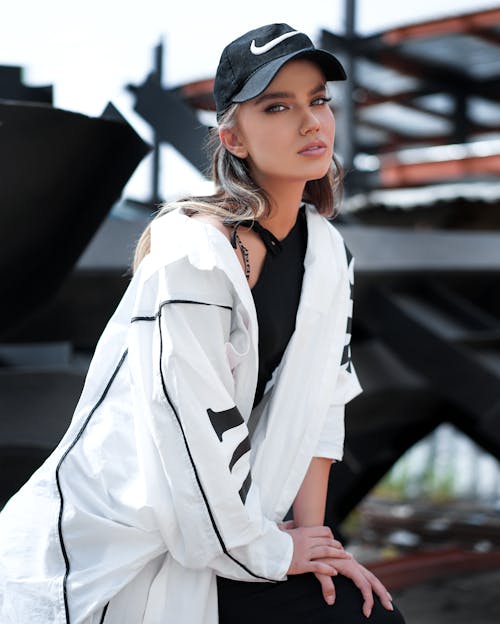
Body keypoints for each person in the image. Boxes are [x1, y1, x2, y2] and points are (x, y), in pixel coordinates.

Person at [0, 23, 405, 624]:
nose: (310, 121)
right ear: (233, 138)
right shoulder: (192, 256)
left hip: (230, 531)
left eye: (317, 99)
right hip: (124, 545)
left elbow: (325, 402)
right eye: (278, 106)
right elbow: (190, 432)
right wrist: (271, 550)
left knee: (357, 609)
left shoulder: (328, 255)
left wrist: (315, 545)